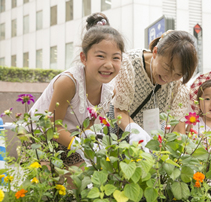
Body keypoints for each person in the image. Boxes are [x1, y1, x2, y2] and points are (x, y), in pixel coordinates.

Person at [29, 13, 124, 171]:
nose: (109, 64)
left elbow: (89, 125)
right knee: (44, 180)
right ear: (84, 58)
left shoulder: (109, 91)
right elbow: (51, 126)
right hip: (39, 134)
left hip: (68, 137)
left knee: (78, 181)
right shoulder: (69, 82)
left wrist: (90, 142)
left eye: (116, 58)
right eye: (100, 56)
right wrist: (77, 144)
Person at [112, 30, 198, 149]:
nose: (169, 78)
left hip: (151, 139)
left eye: (178, 74)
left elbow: (177, 126)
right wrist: (135, 131)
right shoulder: (129, 64)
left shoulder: (179, 84)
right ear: (155, 52)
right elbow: (120, 112)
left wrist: (179, 153)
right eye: (166, 67)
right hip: (119, 131)